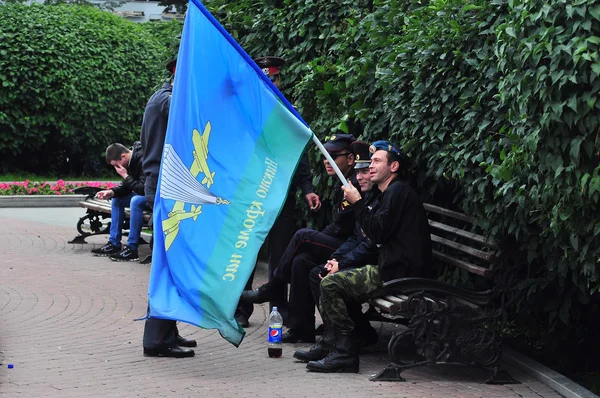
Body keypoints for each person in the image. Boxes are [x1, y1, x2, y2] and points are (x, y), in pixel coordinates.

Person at [295, 140, 433, 374]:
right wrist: (339, 261)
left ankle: (345, 353)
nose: (371, 167)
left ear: (394, 166)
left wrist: (357, 202)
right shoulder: (389, 193)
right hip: (390, 267)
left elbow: (376, 234)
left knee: (330, 284)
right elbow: (369, 235)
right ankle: (335, 344)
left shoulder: (398, 192)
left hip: (400, 274)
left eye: (377, 161)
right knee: (323, 276)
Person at [241, 134, 360, 342]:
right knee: (300, 260)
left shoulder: (353, 185)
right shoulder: (342, 181)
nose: (327, 160)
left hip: (353, 249)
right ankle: (301, 328)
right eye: (325, 156)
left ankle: (271, 288)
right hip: (251, 197)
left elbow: (345, 228)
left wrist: (307, 189)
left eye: (333, 156)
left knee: (302, 237)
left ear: (350, 159)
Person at [234, 56, 320, 328]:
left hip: (281, 197)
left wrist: (307, 187)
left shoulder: (288, 112)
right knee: (246, 252)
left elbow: (298, 156)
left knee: (281, 255)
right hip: (251, 195)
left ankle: (278, 309)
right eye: (266, 79)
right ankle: (239, 309)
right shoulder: (244, 113)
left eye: (275, 78)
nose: (272, 83)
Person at [140, 58, 196, 358]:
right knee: (168, 263)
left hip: (164, 184)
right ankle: (156, 339)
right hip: (163, 185)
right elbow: (189, 112)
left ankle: (168, 331)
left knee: (172, 261)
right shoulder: (167, 100)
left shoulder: (161, 97)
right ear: (177, 72)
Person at [305, 141, 381, 347]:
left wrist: (342, 263)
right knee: (317, 272)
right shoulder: (370, 197)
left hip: (387, 268)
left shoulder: (382, 198)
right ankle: (339, 335)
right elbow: (358, 238)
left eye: (367, 170)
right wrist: (336, 258)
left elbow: (372, 243)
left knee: (330, 281)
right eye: (359, 172)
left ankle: (342, 344)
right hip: (369, 259)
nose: (361, 177)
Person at [91, 142, 146, 262]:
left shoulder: (143, 159)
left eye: (117, 165)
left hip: (153, 196)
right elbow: (128, 185)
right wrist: (111, 192)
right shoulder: (131, 161)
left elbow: (142, 189)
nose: (117, 169)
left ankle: (132, 249)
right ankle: (114, 243)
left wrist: (125, 175)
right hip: (143, 193)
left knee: (135, 201)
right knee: (116, 199)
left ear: (123, 157)